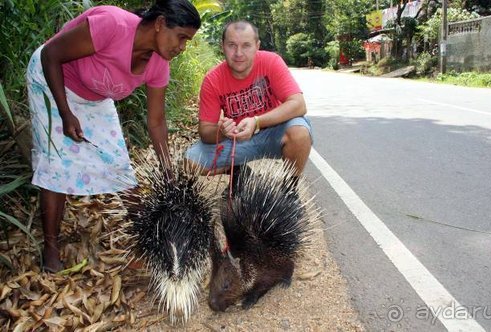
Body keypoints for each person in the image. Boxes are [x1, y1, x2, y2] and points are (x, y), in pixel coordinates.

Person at [26, 0, 201, 273]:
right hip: (51, 80)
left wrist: (168, 172)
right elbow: (51, 54)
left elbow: (156, 122)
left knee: (119, 165)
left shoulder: (158, 65)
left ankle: (148, 240)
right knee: (56, 164)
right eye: (181, 37)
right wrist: (64, 112)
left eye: (187, 41)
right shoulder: (112, 25)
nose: (182, 47)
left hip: (95, 97)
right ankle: (50, 246)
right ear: (159, 24)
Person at [185, 20, 312, 191]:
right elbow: (205, 132)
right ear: (222, 46)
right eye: (232, 45)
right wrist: (222, 132)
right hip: (236, 139)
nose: (238, 53)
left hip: (273, 133)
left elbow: (298, 105)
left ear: (257, 46)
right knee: (190, 163)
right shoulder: (212, 80)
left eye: (246, 45)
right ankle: (238, 171)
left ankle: (290, 188)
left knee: (300, 133)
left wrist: (257, 122)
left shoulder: (271, 61)